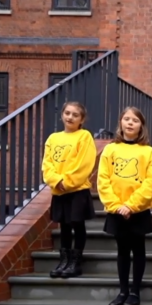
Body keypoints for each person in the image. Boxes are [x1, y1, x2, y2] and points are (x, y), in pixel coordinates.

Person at [97, 107, 152, 305]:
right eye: (127, 119)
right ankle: (123, 290)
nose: (130, 123)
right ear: (121, 123)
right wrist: (116, 206)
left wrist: (131, 205)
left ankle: (135, 291)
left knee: (138, 249)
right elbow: (103, 179)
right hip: (117, 211)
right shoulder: (110, 149)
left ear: (141, 126)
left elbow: (151, 181)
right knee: (122, 251)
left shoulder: (147, 151)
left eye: (135, 120)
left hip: (137, 211)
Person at [42, 101, 97, 279]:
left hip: (77, 190)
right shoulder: (53, 138)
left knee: (77, 225)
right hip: (59, 190)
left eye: (75, 115)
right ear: (62, 115)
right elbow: (47, 164)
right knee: (64, 226)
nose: (70, 117)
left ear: (82, 119)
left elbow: (85, 163)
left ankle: (75, 262)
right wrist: (56, 181)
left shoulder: (84, 136)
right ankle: (64, 260)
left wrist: (68, 182)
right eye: (67, 113)